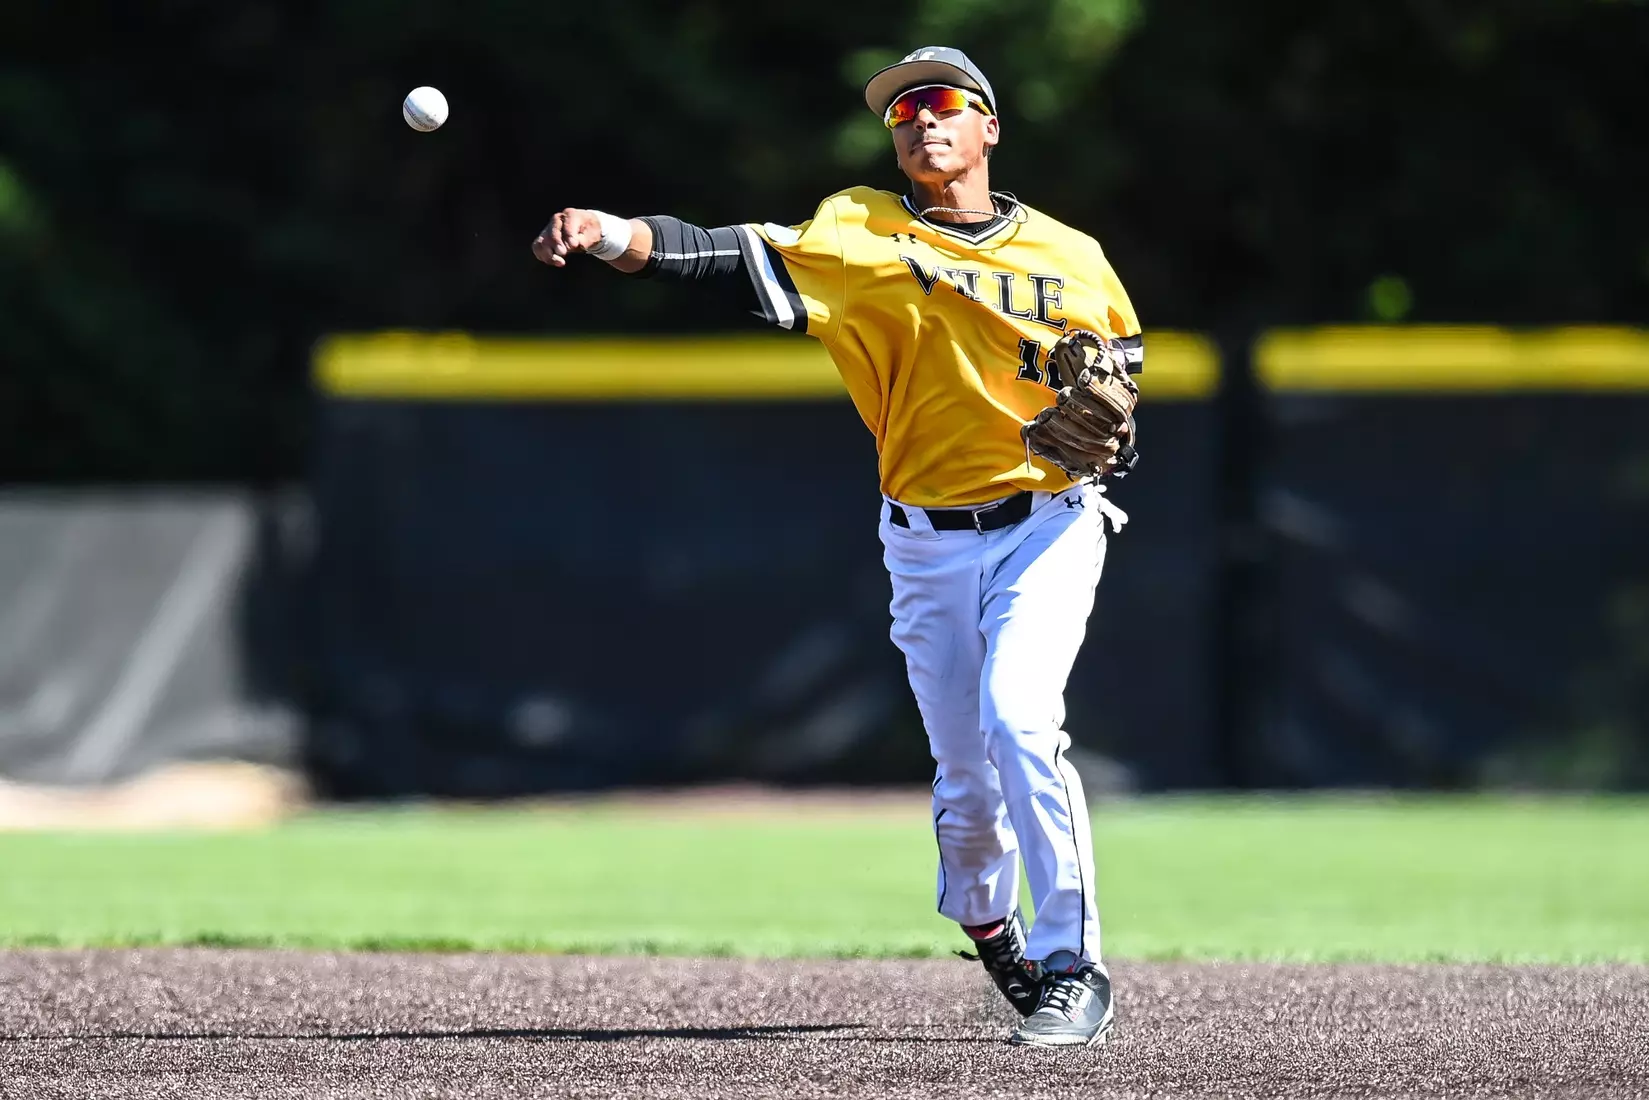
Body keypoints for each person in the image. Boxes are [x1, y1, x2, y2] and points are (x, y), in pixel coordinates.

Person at [532, 46, 1144, 1048]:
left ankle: (1072, 961)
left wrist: (1115, 426)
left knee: (1019, 720)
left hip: (1047, 524)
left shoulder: (1072, 257)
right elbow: (725, 252)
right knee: (963, 780)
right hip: (926, 543)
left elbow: (1123, 382)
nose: (919, 121)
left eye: (943, 103)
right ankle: (995, 937)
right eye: (901, 112)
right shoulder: (860, 231)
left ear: (988, 125)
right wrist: (613, 234)